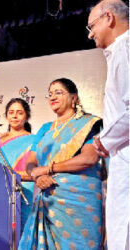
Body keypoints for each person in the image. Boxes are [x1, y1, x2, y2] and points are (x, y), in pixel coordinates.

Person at [18, 78, 104, 249]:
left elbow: (89, 158)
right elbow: (31, 163)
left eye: (58, 92)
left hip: (79, 201)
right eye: (50, 94)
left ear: (74, 99)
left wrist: (49, 169)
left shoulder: (87, 124)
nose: (52, 97)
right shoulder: (45, 128)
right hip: (48, 199)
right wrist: (38, 176)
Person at [87, 1, 129, 249]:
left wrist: (105, 140)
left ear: (109, 18)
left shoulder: (125, 49)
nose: (90, 33)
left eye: (92, 25)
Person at [0, 98, 35, 231]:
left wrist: (14, 175)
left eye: (19, 112)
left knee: (22, 233)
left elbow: (37, 172)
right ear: (6, 116)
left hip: (24, 192)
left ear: (27, 116)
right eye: (11, 112)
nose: (14, 116)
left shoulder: (34, 140)